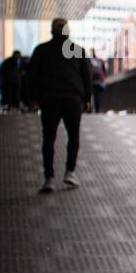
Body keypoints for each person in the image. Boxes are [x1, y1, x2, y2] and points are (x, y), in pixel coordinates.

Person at [28, 19, 92, 193]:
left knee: (48, 138)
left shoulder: (41, 50)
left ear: (51, 31)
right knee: (73, 136)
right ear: (67, 32)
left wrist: (32, 99)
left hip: (49, 99)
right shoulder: (78, 51)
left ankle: (48, 178)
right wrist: (87, 99)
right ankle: (69, 172)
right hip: (72, 99)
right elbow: (87, 75)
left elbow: (31, 75)